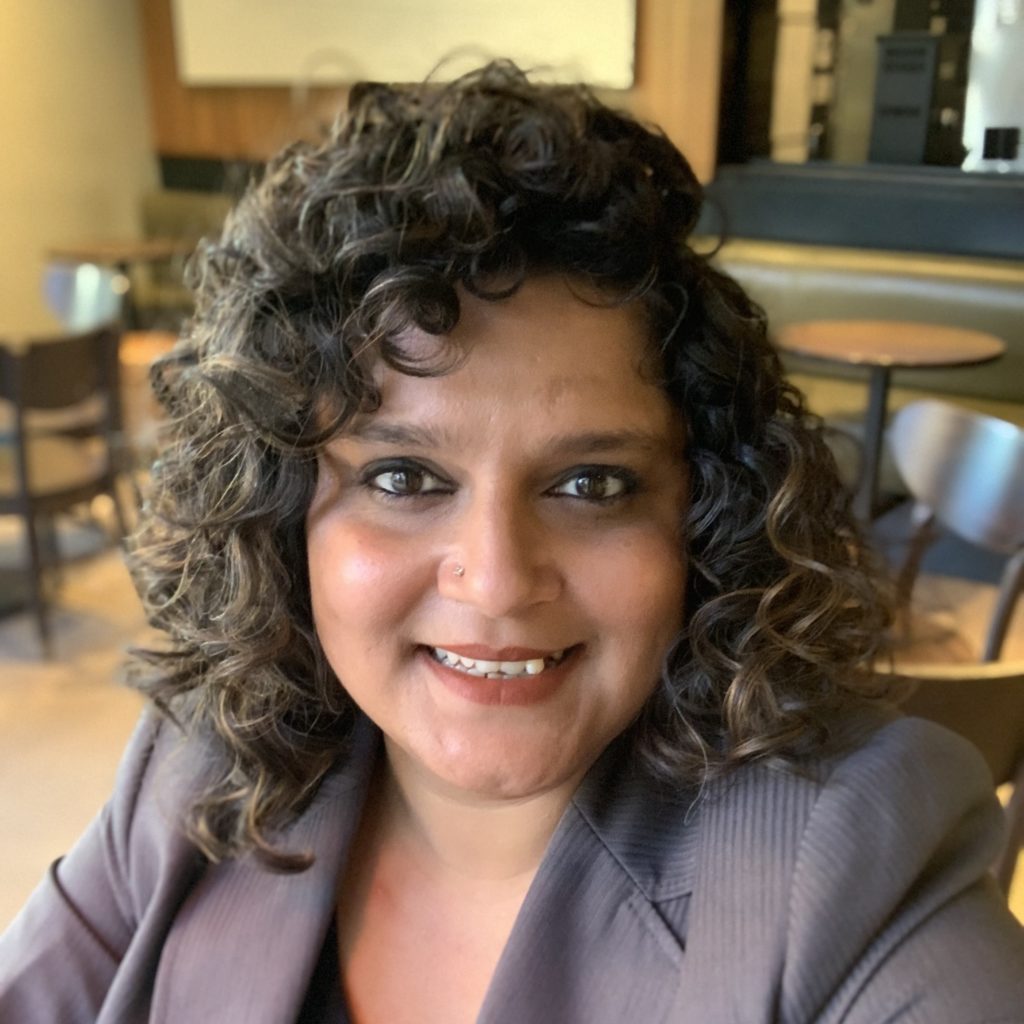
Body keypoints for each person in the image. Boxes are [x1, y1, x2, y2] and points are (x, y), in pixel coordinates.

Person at [2, 61, 1023, 1024]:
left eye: (591, 484)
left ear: (705, 516)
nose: (494, 581)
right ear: (279, 515)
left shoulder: (846, 869)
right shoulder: (199, 767)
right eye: (404, 478)